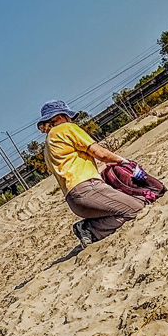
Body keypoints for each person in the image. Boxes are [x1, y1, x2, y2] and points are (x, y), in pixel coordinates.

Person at [37, 100, 147, 246]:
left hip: (73, 199)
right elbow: (99, 152)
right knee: (136, 208)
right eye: (68, 116)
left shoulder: (48, 144)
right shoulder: (65, 128)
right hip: (88, 188)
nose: (70, 119)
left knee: (122, 209)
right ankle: (90, 228)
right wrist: (123, 161)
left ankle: (90, 229)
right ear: (60, 117)